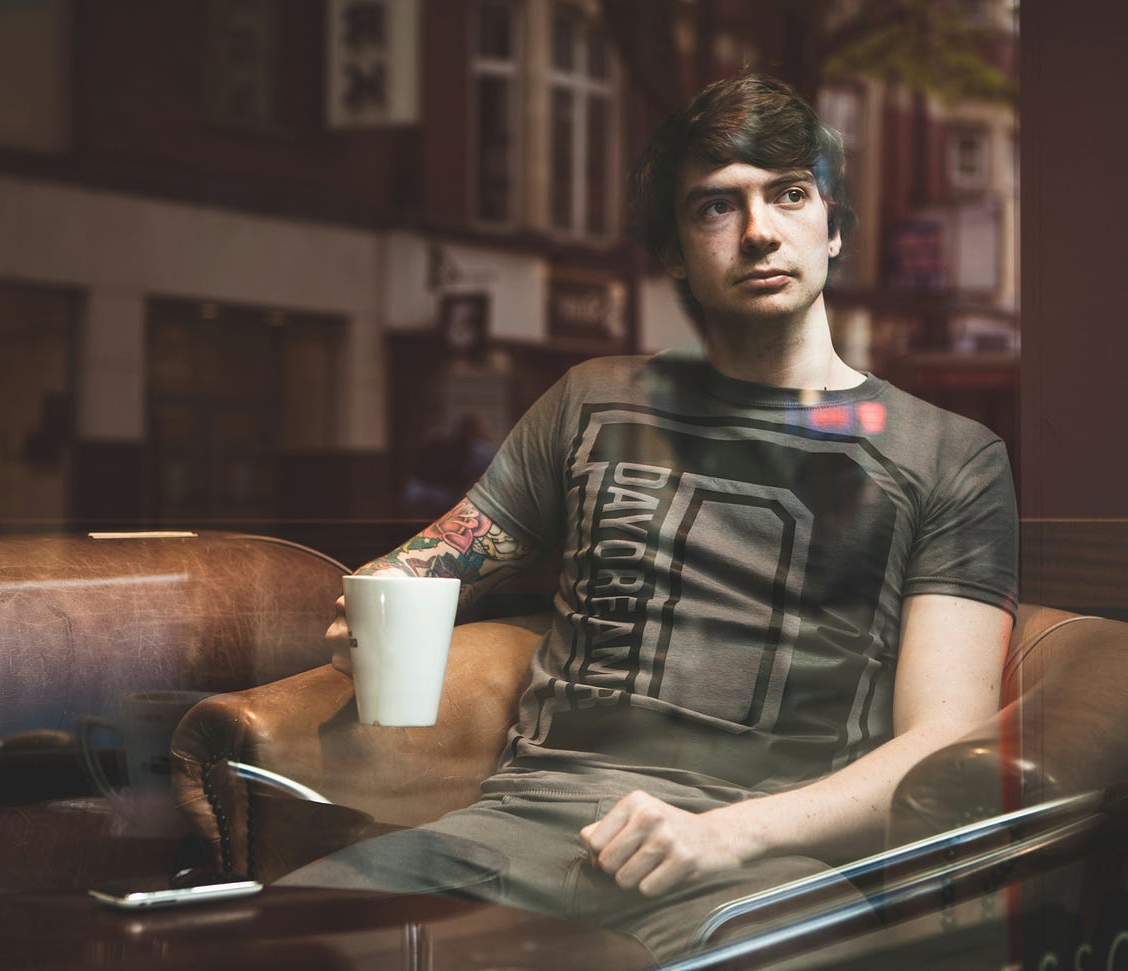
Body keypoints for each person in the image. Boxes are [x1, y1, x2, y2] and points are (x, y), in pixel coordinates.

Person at [279, 73, 1018, 960]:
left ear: (834, 224)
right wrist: (390, 587)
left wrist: (731, 832)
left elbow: (946, 739)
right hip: (514, 833)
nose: (758, 232)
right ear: (675, 252)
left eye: (788, 194)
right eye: (716, 206)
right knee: (272, 937)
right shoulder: (593, 398)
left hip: (759, 868)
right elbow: (447, 551)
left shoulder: (950, 454)